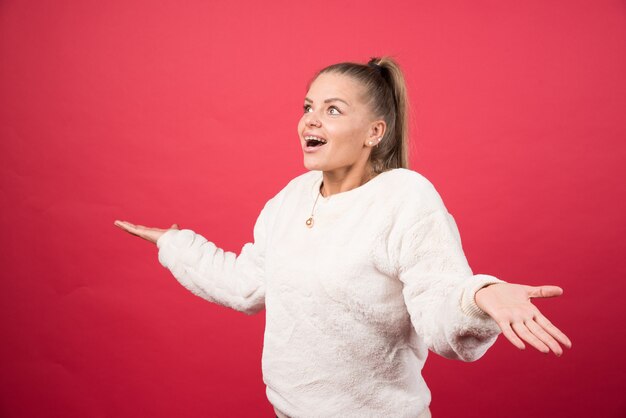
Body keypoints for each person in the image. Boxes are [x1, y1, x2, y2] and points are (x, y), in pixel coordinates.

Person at [114, 56, 571, 418]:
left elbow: (438, 307)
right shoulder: (291, 199)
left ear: (375, 132)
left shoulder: (404, 197)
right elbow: (249, 284)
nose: (311, 120)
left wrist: (482, 295)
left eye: (333, 110)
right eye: (308, 107)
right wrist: (175, 245)